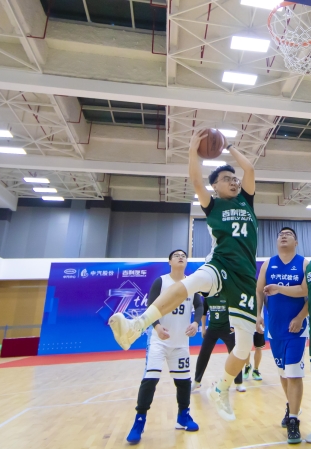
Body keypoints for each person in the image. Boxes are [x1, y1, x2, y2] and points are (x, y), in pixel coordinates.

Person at [109, 129, 258, 422]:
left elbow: (249, 169)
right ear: (215, 186)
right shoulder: (213, 205)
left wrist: (229, 146)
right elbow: (196, 180)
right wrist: (193, 149)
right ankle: (136, 326)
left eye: (234, 178)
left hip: (245, 277)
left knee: (244, 346)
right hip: (221, 264)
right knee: (189, 283)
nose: (234, 181)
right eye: (227, 179)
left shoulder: (246, 201)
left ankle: (221, 389)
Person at [126, 249, 202, 444]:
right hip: (159, 341)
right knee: (150, 380)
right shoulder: (161, 282)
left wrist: (196, 322)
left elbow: (200, 305)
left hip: (180, 343)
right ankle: (139, 421)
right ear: (169, 261)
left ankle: (183, 416)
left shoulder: (191, 283)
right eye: (176, 255)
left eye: (184, 255)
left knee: (183, 382)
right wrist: (157, 327)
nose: (181, 257)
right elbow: (151, 307)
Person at [259, 226, 309, 444]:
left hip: (297, 328)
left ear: (296, 242)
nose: (284, 236)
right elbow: (258, 291)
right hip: (275, 329)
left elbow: (308, 293)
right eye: (281, 235)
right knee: (283, 373)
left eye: (289, 235)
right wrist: (258, 314)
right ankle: (291, 406)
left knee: (294, 374)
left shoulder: (304, 263)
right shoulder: (268, 264)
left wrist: (300, 317)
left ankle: (294, 420)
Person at [191, 293, 245, 393]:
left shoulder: (227, 294)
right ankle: (196, 381)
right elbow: (204, 312)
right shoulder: (208, 296)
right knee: (203, 354)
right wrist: (203, 328)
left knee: (235, 354)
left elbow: (235, 310)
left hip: (227, 329)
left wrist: (234, 325)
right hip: (212, 328)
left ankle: (239, 383)